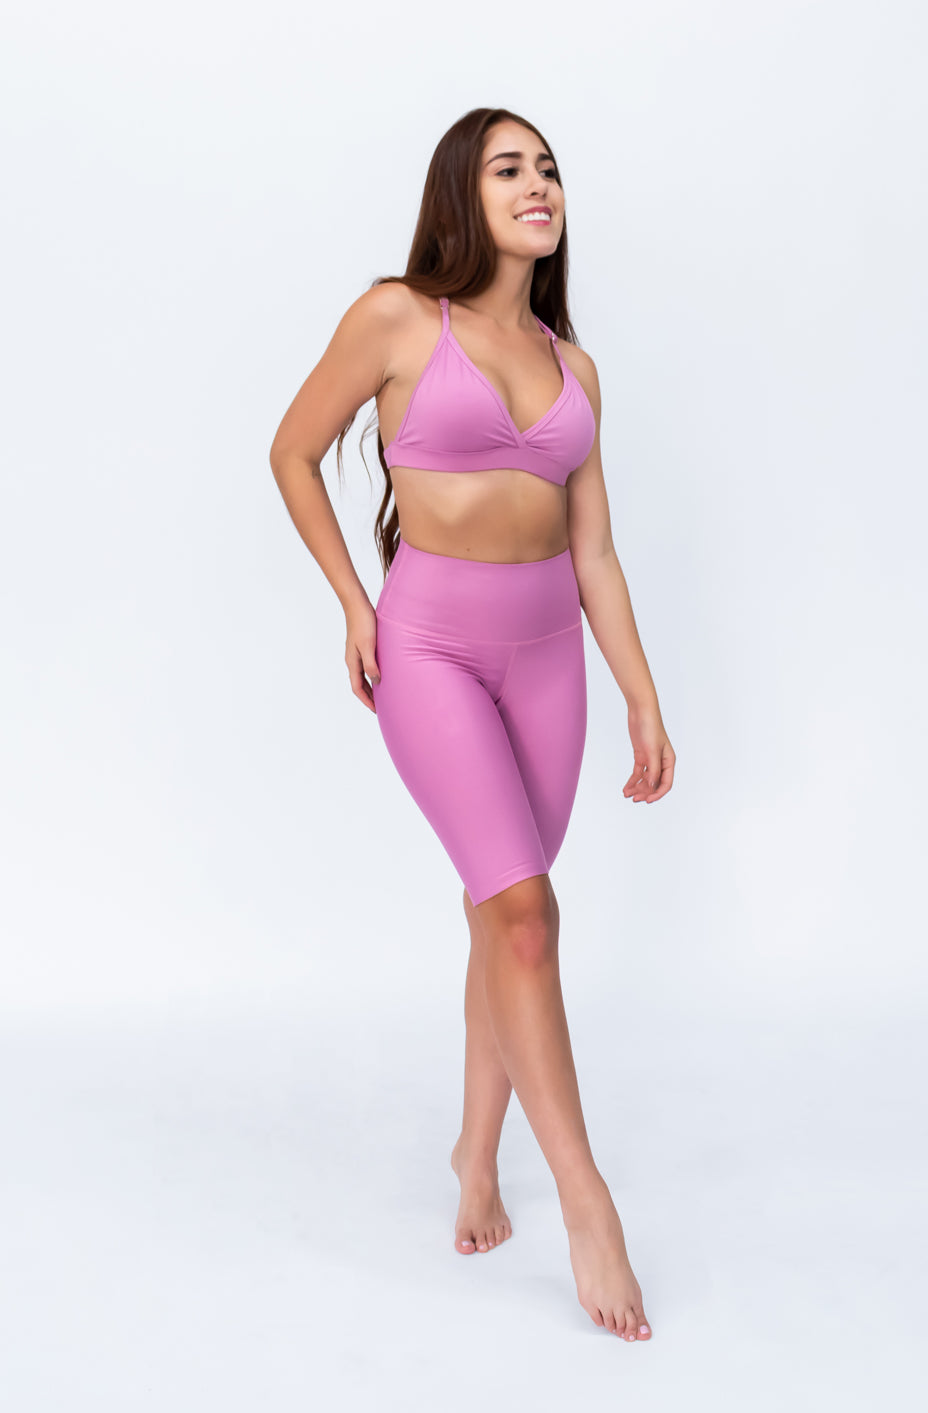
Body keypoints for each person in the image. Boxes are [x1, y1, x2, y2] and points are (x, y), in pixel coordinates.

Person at [269, 107, 675, 1343]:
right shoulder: (399, 317)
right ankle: (587, 1200)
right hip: (432, 648)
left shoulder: (574, 367)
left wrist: (642, 693)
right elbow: (293, 452)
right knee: (526, 915)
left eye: (548, 168)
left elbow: (593, 551)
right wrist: (356, 604)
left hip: (550, 661)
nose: (538, 183)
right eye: (510, 168)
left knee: (502, 919)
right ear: (464, 194)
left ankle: (476, 1156)